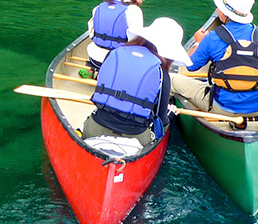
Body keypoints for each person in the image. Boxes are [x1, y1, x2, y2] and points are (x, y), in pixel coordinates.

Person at [171, 0, 258, 120]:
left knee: (171, 79)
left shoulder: (213, 37)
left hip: (221, 107)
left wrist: (198, 42)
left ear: (224, 13)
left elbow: (190, 66)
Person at [82, 17, 193, 146]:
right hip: (135, 138)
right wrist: (170, 113)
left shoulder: (114, 54)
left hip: (94, 128)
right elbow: (161, 120)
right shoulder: (161, 73)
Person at [86, 0, 151, 72]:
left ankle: (93, 72)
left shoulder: (99, 7)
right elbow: (135, 42)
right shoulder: (134, 10)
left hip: (95, 60)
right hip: (118, 63)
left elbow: (91, 34)